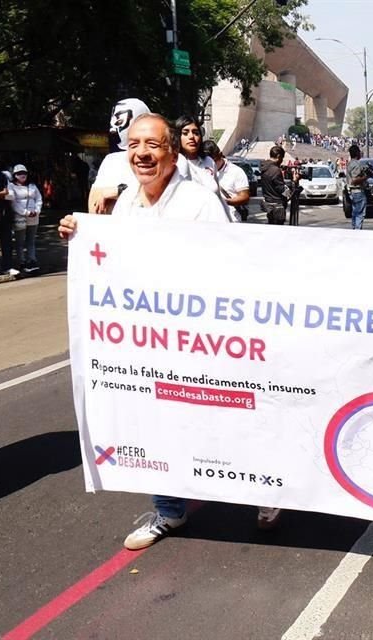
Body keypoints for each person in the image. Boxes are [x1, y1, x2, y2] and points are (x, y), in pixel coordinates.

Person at [58, 114, 285, 545]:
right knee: (158, 420)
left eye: (154, 145)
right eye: (134, 145)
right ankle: (169, 510)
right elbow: (108, 259)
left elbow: (228, 264)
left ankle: (264, 488)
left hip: (204, 339)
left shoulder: (199, 202)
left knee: (226, 414)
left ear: (171, 152)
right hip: (152, 342)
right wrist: (78, 233)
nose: (143, 153)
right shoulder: (125, 206)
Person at [89, 98, 150, 213]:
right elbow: (95, 206)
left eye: (119, 122)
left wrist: (117, 191)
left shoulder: (169, 159)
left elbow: (160, 193)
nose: (113, 129)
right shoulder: (112, 160)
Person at [203, 140, 250, 222]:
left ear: (220, 155)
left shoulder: (236, 171)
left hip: (231, 220)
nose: (210, 164)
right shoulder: (201, 171)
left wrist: (225, 201)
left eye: (213, 161)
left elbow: (244, 197)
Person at [9, 164, 43, 273]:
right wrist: (25, 212)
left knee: (31, 240)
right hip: (20, 217)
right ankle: (21, 261)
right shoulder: (11, 186)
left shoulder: (32, 186)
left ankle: (32, 260)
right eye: (19, 173)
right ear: (15, 175)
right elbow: (13, 202)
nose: (22, 175)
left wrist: (37, 210)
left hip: (34, 216)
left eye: (24, 173)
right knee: (20, 241)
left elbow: (39, 198)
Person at [260, 145, 296, 225]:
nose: (282, 161)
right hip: (277, 206)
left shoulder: (264, 167)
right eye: (282, 158)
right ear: (278, 156)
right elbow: (282, 189)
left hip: (269, 204)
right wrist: (294, 182)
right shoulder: (275, 170)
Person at [345, 144, 373, 230]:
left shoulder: (350, 164)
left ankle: (354, 229)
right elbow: (355, 180)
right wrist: (367, 176)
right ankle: (357, 231)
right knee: (360, 214)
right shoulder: (356, 164)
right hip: (358, 191)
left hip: (352, 192)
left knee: (355, 212)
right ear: (357, 153)